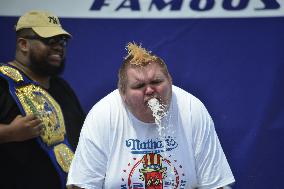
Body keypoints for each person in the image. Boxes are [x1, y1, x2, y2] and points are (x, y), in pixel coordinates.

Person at [67, 42, 235, 189]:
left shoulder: (192, 109)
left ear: (170, 81)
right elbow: (83, 185)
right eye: (139, 86)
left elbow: (215, 185)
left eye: (156, 82)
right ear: (122, 93)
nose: (149, 91)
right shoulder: (103, 114)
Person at [0, 10, 85, 189]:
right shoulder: (2, 81)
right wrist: (9, 133)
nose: (59, 47)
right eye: (50, 41)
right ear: (23, 44)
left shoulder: (61, 87)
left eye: (62, 41)